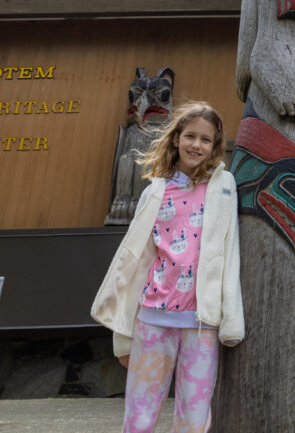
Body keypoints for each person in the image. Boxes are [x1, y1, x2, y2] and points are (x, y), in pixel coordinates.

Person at [91, 100, 244, 433]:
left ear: (215, 146)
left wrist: (231, 319)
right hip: (151, 321)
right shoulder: (156, 191)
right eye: (190, 136)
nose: (197, 145)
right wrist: (123, 337)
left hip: (200, 325)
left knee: (194, 417)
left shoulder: (223, 188)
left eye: (206, 139)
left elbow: (230, 256)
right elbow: (133, 264)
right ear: (176, 138)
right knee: (140, 415)